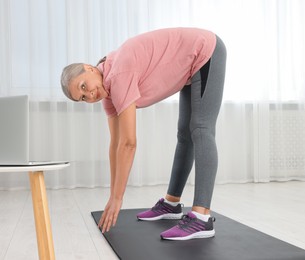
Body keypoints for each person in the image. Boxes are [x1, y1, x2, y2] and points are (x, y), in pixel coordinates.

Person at [60, 27, 226, 240]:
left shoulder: (118, 73)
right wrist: (113, 194)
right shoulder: (108, 91)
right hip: (189, 64)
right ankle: (171, 204)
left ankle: (201, 218)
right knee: (185, 134)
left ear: (89, 68)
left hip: (205, 50)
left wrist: (118, 199)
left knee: (201, 129)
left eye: (84, 86)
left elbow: (129, 143)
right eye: (82, 98)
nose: (89, 95)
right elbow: (116, 144)